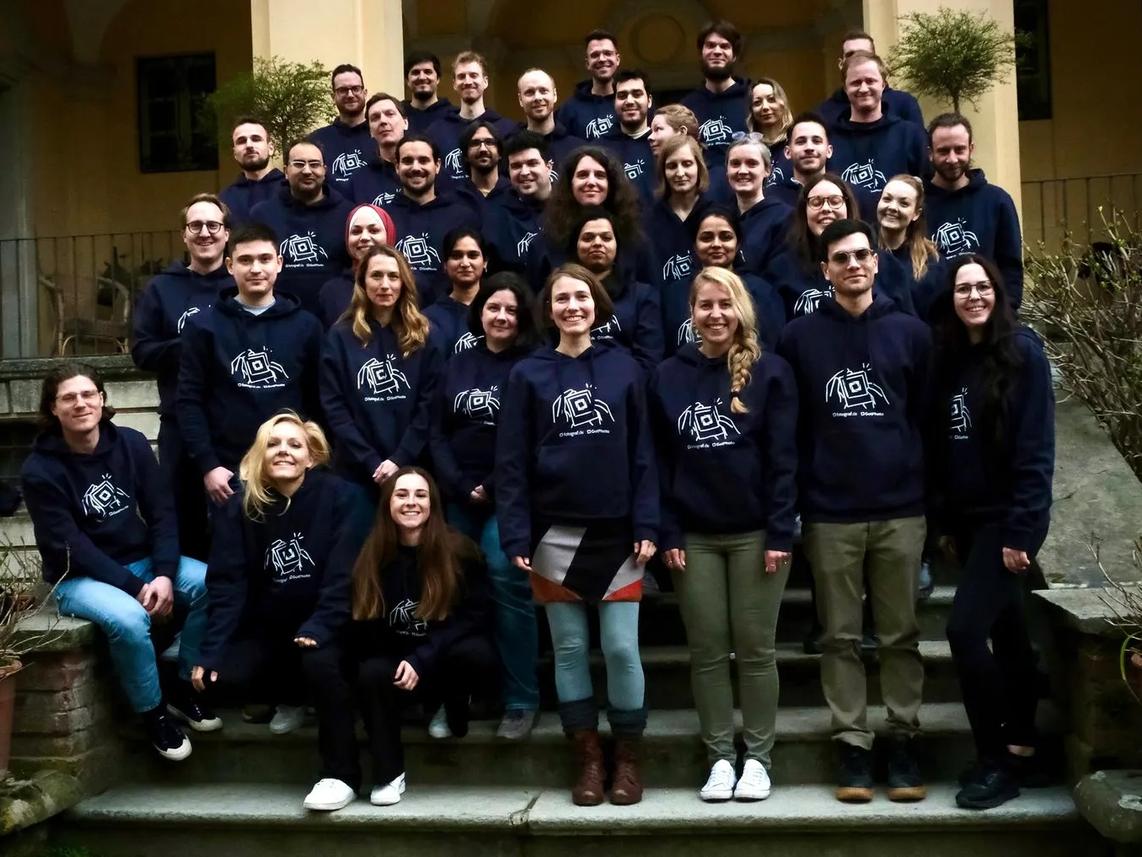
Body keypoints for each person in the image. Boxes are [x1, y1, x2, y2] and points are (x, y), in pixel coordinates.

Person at [777, 218, 931, 805]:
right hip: (830, 511)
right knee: (839, 636)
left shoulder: (911, 333)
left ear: (876, 260)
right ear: (826, 269)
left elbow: (925, 420)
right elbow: (791, 427)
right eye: (840, 258)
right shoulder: (799, 338)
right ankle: (853, 744)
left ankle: (904, 739)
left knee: (901, 635)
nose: (853, 265)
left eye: (862, 255)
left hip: (900, 508)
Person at [497, 264, 658, 806]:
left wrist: (647, 522)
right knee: (568, 649)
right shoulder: (527, 374)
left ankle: (628, 759)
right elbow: (511, 462)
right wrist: (516, 534)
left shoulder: (625, 368)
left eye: (582, 297)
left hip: (618, 532)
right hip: (553, 533)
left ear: (597, 305)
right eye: (562, 299)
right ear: (549, 310)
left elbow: (644, 453)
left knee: (621, 648)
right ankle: (589, 761)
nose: (572, 307)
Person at [651, 266, 797, 802]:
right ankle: (719, 758)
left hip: (757, 534)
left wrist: (780, 531)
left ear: (741, 310)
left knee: (756, 650)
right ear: (691, 313)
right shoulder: (667, 376)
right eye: (704, 305)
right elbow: (659, 463)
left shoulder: (771, 372)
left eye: (724, 304)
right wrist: (668, 532)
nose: (715, 314)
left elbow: (784, 460)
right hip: (693, 537)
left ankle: (757, 759)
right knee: (708, 651)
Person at [22, 364, 216, 760]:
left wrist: (164, 574)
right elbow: (72, 546)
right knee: (129, 619)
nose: (80, 404)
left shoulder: (131, 443)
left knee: (211, 583)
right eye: (68, 398)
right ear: (53, 408)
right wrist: (136, 588)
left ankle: (181, 687)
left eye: (88, 394)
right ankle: (153, 713)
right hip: (78, 577)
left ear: (102, 399)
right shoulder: (40, 469)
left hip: (141, 561)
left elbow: (162, 513)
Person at [190, 412, 367, 811]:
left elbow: (344, 576)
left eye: (294, 444)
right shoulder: (241, 505)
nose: (283, 451)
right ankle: (291, 695)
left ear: (311, 457)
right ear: (260, 455)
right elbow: (228, 583)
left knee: (319, 662)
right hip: (274, 628)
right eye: (273, 444)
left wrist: (320, 626)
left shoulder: (342, 497)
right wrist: (212, 650)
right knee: (222, 677)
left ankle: (341, 775)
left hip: (335, 624)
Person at [928, 255, 1054, 810]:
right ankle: (1024, 746)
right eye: (963, 289)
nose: (974, 296)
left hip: (1008, 520)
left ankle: (995, 760)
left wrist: (1021, 532)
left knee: (963, 630)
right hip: (970, 520)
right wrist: (946, 523)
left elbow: (1036, 450)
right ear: (952, 299)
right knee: (1009, 633)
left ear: (998, 293)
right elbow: (948, 449)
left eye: (983, 287)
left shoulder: (1023, 353)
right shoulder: (953, 358)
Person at [311, 467, 494, 807]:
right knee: (371, 672)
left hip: (442, 658)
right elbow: (366, 625)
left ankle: (453, 705)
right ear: (388, 504)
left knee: (475, 653)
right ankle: (389, 773)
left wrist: (422, 659)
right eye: (402, 494)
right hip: (399, 665)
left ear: (432, 504)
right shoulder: (371, 554)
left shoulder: (459, 550)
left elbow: (475, 617)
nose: (411, 502)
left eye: (420, 495)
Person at [429, 273, 542, 739]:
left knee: (503, 571)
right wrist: (459, 483)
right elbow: (436, 430)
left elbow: (534, 436)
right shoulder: (456, 363)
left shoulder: (533, 365)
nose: (502, 316)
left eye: (511, 310)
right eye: (494, 307)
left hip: (509, 496)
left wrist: (492, 486)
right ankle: (451, 694)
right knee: (448, 584)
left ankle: (521, 698)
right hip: (457, 492)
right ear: (481, 312)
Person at [177, 223, 323, 510]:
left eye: (264, 259)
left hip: (292, 467)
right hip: (228, 473)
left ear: (279, 263)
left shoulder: (307, 326)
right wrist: (209, 465)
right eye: (245, 260)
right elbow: (189, 400)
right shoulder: (203, 327)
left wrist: (313, 457)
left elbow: (319, 400)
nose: (256, 268)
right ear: (230, 266)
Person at [132, 194, 235, 558]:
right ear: (184, 235)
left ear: (227, 234)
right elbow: (142, 352)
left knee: (238, 521)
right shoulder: (161, 288)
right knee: (183, 518)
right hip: (179, 421)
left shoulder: (240, 285)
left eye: (213, 225)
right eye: (196, 225)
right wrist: (192, 343)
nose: (205, 232)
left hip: (232, 423)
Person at [320, 244, 441, 492]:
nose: (385, 285)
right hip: (355, 471)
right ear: (362, 282)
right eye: (376, 276)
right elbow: (335, 407)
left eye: (393, 276)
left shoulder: (426, 335)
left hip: (413, 470)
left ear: (404, 282)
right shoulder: (340, 336)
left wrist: (400, 458)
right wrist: (371, 461)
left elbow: (431, 405)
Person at [924, 113, 1024, 310]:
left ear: (971, 149)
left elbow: (1010, 267)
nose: (952, 159)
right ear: (930, 153)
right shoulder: (916, 203)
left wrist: (1006, 313)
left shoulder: (997, 200)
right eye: (943, 151)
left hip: (986, 316)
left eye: (959, 149)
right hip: (932, 319)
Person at [247, 139, 354, 316]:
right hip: (278, 317)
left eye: (314, 164)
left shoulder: (348, 214)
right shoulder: (262, 215)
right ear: (286, 171)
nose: (307, 171)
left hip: (336, 318)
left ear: (324, 171)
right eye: (298, 164)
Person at [663, 206, 784, 353]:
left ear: (738, 244)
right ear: (694, 245)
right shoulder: (674, 294)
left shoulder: (762, 292)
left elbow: (771, 347)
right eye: (706, 238)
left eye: (725, 237)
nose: (716, 244)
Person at [827, 51, 929, 221]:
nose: (863, 88)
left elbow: (927, 190)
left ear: (883, 84)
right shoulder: (829, 137)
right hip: (845, 232)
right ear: (845, 88)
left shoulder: (910, 135)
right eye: (856, 82)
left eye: (870, 81)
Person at [388, 135, 481, 305]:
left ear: (437, 166)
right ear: (397, 167)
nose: (416, 168)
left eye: (423, 160)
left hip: (449, 313)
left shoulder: (462, 217)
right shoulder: (383, 218)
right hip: (395, 312)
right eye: (408, 161)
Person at [535, 146, 646, 285]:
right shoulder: (547, 240)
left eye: (600, 175)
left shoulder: (633, 236)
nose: (591, 182)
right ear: (570, 182)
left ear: (611, 183)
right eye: (582, 175)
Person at [569, 208, 663, 373]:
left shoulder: (642, 296)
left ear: (617, 246)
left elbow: (649, 360)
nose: (597, 243)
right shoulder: (560, 295)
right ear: (575, 246)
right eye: (588, 238)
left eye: (606, 238)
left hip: (627, 383)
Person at [767, 173, 859, 319]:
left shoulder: (873, 262)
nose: (826, 208)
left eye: (835, 201)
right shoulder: (781, 268)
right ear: (804, 212)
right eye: (816, 202)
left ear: (848, 207)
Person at [426, 51, 517, 186]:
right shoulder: (436, 132)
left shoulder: (507, 129)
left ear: (485, 81)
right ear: (454, 84)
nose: (468, 81)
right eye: (461, 76)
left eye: (473, 75)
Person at [817, 30, 924, 127]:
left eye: (864, 54)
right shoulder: (824, 113)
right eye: (850, 55)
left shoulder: (904, 104)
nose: (858, 60)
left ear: (876, 61)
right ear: (841, 64)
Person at [316, 203, 398, 328]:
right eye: (356, 231)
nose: (364, 237)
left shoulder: (410, 285)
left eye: (373, 231)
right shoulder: (331, 292)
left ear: (389, 233)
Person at [645, 135, 709, 294]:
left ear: (699, 167)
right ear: (663, 171)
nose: (680, 173)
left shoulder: (714, 215)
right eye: (672, 166)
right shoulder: (647, 219)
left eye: (687, 164)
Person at [682, 20, 751, 161]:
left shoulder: (754, 99)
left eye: (725, 46)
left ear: (734, 56)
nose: (717, 51)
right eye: (710, 45)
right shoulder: (686, 107)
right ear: (701, 53)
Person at [484, 132, 552, 275]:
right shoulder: (496, 218)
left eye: (532, 163)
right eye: (516, 166)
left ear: (549, 167)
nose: (524, 172)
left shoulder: (570, 207)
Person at [877, 174, 943, 319]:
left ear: (916, 214)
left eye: (904, 203)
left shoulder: (931, 261)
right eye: (887, 199)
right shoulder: (861, 251)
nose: (892, 207)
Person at [727, 135, 792, 276]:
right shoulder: (720, 217)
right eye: (735, 164)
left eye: (752, 163)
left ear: (767, 170)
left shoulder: (785, 218)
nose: (742, 171)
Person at [424, 227, 488, 355]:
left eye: (473, 255)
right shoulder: (428, 319)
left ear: (485, 262)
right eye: (456, 256)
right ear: (445, 265)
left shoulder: (498, 311)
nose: (465, 263)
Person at [309, 64, 371, 188]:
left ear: (365, 93)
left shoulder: (381, 135)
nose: (350, 94)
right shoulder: (316, 140)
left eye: (356, 88)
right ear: (333, 97)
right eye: (343, 90)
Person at [516, 68, 586, 178]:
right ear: (520, 100)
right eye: (530, 92)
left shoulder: (579, 148)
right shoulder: (512, 150)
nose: (537, 97)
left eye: (543, 91)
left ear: (555, 95)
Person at [557, 29, 621, 141]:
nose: (602, 59)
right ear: (587, 63)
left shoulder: (630, 103)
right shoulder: (569, 109)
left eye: (607, 53)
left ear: (617, 59)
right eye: (595, 55)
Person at [603, 69, 655, 205]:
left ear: (649, 101)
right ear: (614, 102)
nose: (629, 101)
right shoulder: (599, 149)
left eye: (637, 94)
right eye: (622, 96)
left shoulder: (663, 144)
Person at [219, 118, 284, 226]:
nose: (249, 145)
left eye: (256, 139)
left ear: (271, 148)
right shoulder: (224, 199)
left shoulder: (291, 189)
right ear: (235, 154)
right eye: (241, 141)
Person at [347, 93, 407, 208]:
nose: (383, 121)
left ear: (405, 123)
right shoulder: (359, 181)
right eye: (375, 118)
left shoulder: (427, 170)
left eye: (390, 114)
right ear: (370, 131)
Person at [767, 112, 833, 208]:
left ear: (829, 151)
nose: (809, 147)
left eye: (816, 141)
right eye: (801, 142)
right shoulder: (770, 199)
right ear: (787, 152)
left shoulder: (847, 194)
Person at [747, 79, 794, 187]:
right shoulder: (748, 147)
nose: (765, 107)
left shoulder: (797, 142)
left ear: (783, 103)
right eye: (757, 103)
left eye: (771, 99)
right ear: (752, 110)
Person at [455, 122, 509, 211]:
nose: (483, 149)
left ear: (500, 153)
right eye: (475, 143)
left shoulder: (515, 195)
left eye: (489, 142)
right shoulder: (455, 200)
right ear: (465, 155)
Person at [402, 50, 454, 134]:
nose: (422, 77)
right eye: (415, 73)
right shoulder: (398, 116)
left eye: (428, 72)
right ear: (407, 80)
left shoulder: (453, 116)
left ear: (438, 79)